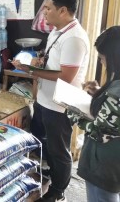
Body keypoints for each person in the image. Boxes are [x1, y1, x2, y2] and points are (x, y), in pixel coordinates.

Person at [12, 0, 90, 202]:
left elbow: (65, 75)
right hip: (44, 99)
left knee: (59, 151)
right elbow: (54, 63)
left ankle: (58, 192)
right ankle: (49, 174)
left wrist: (31, 70)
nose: (44, 12)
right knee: (42, 142)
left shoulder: (75, 38)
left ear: (63, 10)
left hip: (59, 106)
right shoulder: (57, 30)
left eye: (47, 8)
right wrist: (39, 61)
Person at [67, 26, 120, 202]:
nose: (102, 63)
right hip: (109, 159)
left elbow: (98, 128)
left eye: (103, 59)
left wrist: (72, 111)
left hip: (106, 160)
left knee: (102, 196)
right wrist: (99, 93)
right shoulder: (115, 86)